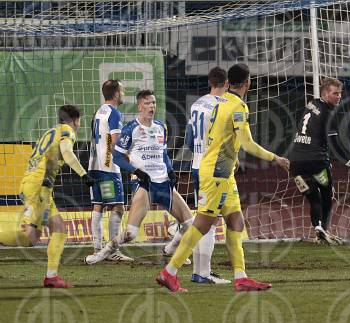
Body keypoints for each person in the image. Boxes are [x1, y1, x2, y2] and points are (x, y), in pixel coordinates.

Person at [156, 63, 290, 292]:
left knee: (236, 221)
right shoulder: (238, 106)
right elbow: (247, 143)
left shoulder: (221, 101)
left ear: (230, 82)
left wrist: (232, 157)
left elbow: (214, 134)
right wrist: (274, 157)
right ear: (248, 82)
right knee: (203, 223)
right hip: (216, 172)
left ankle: (241, 277)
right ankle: (170, 272)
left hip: (223, 171)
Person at [85, 90, 195, 264]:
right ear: (139, 106)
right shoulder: (130, 129)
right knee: (130, 233)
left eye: (153, 103)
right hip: (145, 185)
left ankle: (170, 249)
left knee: (190, 223)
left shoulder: (161, 127)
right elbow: (117, 156)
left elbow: (163, 153)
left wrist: (170, 169)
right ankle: (103, 252)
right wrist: (136, 172)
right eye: (147, 103)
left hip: (164, 183)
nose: (151, 106)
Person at [0, 105, 94, 287]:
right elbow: (67, 153)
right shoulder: (68, 131)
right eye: (79, 121)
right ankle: (51, 276)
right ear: (75, 120)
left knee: (59, 228)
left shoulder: (50, 131)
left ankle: (51, 276)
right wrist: (84, 175)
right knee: (30, 237)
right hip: (38, 187)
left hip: (39, 186)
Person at [289, 77, 350, 244]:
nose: (339, 97)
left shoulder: (311, 104)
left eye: (340, 93)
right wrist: (349, 162)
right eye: (335, 93)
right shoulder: (328, 114)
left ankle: (318, 228)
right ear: (325, 93)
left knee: (314, 198)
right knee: (326, 195)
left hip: (296, 164)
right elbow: (334, 143)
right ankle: (324, 231)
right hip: (317, 164)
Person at [179, 66, 230, 284]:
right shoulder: (224, 105)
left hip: (197, 165)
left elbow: (189, 138)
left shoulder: (198, 103)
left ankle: (200, 271)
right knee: (210, 222)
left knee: (203, 219)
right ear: (226, 84)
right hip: (213, 168)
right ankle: (203, 272)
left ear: (210, 82)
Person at [87, 80, 133, 263]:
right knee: (118, 207)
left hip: (94, 166)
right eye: (122, 90)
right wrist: (130, 158)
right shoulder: (114, 113)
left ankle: (97, 247)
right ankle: (113, 250)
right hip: (108, 168)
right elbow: (115, 142)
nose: (123, 93)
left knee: (98, 206)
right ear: (115, 93)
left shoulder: (99, 111)